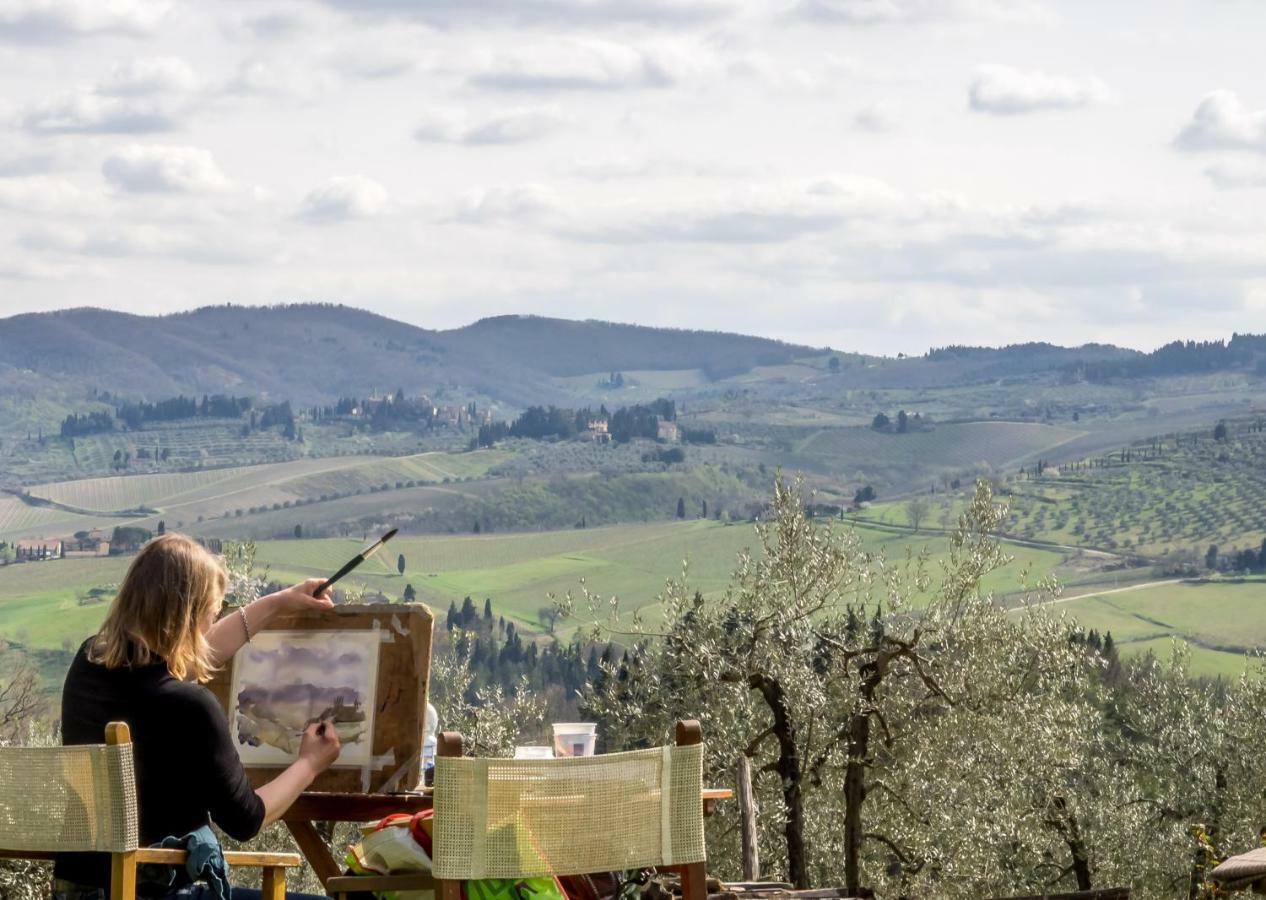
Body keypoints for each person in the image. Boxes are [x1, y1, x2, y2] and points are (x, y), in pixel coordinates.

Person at [53, 533, 342, 900]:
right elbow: (247, 819)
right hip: (157, 892)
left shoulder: (88, 665)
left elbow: (185, 663)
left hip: (77, 891)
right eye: (210, 615)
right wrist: (310, 763)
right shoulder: (189, 707)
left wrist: (276, 604)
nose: (209, 628)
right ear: (186, 618)